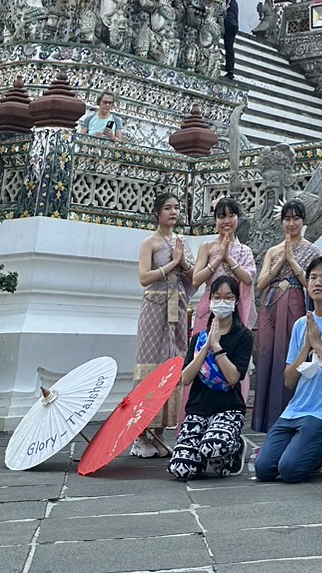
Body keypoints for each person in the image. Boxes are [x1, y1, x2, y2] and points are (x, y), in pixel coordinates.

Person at [255, 255, 322, 482]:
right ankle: (309, 446)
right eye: (312, 278)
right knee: (263, 469)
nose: (317, 283)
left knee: (290, 470)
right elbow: (288, 380)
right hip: (296, 410)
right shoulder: (301, 324)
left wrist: (318, 345)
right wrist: (306, 347)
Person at [168, 274, 254, 480]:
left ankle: (234, 450)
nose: (221, 302)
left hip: (228, 409)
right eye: (217, 297)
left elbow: (233, 378)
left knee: (213, 447)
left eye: (228, 297)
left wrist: (217, 346)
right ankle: (202, 454)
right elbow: (186, 378)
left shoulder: (244, 336)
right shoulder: (199, 338)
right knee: (181, 469)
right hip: (198, 409)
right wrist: (206, 346)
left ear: (236, 301)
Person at [133, 193, 195, 457]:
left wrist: (183, 262)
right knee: (150, 366)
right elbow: (144, 277)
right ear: (157, 213)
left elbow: (193, 275)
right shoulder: (150, 242)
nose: (173, 212)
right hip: (154, 306)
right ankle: (140, 436)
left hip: (177, 307)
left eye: (177, 208)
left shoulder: (181, 242)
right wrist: (172, 263)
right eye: (168, 208)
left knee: (173, 365)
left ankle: (159, 434)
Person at [252, 199, 318, 431]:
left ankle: (291, 415)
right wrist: (280, 261)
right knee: (267, 355)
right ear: (281, 222)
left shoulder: (311, 251)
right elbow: (260, 284)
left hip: (295, 303)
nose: (292, 223)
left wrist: (292, 261)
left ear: (304, 221)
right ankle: (265, 420)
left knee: (290, 354)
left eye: (296, 218)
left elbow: (311, 284)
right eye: (287, 219)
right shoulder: (273, 251)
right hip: (271, 305)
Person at [190, 197, 256, 340]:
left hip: (233, 307)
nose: (226, 221)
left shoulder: (245, 250)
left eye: (231, 216)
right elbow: (196, 280)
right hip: (210, 305)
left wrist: (228, 258)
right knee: (203, 347)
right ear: (215, 220)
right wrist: (218, 259)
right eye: (221, 217)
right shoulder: (207, 247)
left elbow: (248, 279)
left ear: (238, 219)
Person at [221, 0, 238, 79]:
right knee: (229, 47)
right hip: (234, 25)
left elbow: (220, 8)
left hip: (227, 22)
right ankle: (230, 70)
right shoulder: (234, 2)